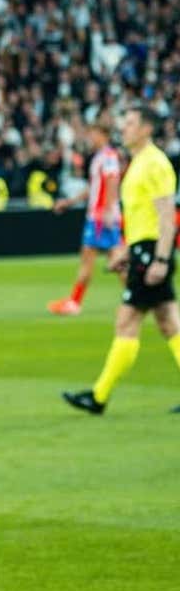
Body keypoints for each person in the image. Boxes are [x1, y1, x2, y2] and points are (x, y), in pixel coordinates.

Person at [63, 105, 179, 414]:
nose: (123, 128)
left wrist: (161, 260)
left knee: (128, 321)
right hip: (143, 250)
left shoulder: (154, 163)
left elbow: (167, 217)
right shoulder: (139, 163)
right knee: (169, 323)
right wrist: (126, 252)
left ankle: (99, 397)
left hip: (153, 252)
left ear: (146, 129)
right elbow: (143, 219)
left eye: (130, 123)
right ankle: (98, 396)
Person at [48, 120, 123, 316]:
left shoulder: (107, 156)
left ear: (103, 134)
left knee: (92, 258)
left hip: (100, 217)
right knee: (117, 260)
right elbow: (94, 187)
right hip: (100, 215)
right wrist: (70, 202)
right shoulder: (101, 156)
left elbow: (112, 180)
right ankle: (136, 298)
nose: (91, 137)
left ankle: (75, 302)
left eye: (94, 134)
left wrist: (107, 210)